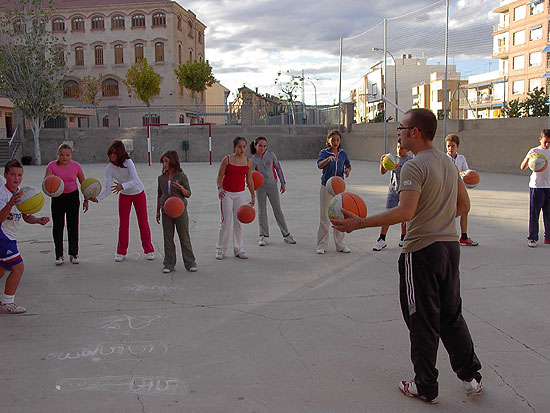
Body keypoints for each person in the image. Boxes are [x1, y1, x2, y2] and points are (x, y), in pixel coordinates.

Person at [332, 109, 482, 404]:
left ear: (415, 132)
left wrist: (359, 223)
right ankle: (471, 376)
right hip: (450, 249)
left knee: (421, 320)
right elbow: (464, 204)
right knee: (451, 316)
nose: (398, 132)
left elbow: (405, 212)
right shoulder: (447, 163)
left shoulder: (413, 167)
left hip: (422, 252)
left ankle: (425, 386)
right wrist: (438, 220)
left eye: (401, 128)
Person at [92, 140, 155, 262]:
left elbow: (136, 180)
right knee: (123, 224)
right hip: (124, 196)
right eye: (110, 153)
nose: (112, 156)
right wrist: (98, 198)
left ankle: (149, 250)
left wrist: (122, 186)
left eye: (114, 153)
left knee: (143, 222)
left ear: (120, 154)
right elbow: (109, 188)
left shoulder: (128, 162)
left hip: (138, 193)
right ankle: (121, 251)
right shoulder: (109, 169)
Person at [0, 160, 49, 314]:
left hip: (10, 236)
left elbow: (26, 216)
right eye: (13, 175)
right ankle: (7, 303)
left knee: (1, 270)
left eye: (19, 175)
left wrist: (38, 220)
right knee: (18, 268)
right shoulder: (2, 194)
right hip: (2, 236)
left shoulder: (22, 193)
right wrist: (9, 204)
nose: (16, 178)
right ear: (5, 175)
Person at [45, 143, 89, 265]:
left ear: (71, 155)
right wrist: (49, 186)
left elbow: (83, 183)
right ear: (58, 155)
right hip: (57, 197)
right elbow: (47, 181)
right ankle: (59, 255)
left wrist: (86, 200)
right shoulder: (51, 166)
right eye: (62, 155)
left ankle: (74, 254)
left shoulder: (76, 166)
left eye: (67, 155)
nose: (64, 158)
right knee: (58, 226)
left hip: (72, 197)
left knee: (73, 225)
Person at [156, 150, 197, 273]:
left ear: (173, 161)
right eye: (163, 161)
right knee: (168, 238)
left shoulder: (181, 176)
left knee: (184, 236)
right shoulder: (161, 178)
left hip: (180, 210)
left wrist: (182, 189)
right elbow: (159, 194)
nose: (164, 164)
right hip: (166, 210)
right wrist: (158, 211)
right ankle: (169, 263)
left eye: (166, 161)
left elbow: (188, 193)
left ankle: (190, 262)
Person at [250, 136, 296, 246]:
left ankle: (286, 235)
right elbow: (250, 177)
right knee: (262, 211)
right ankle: (263, 235)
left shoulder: (271, 155)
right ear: (255, 146)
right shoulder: (252, 160)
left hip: (272, 186)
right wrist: (252, 190)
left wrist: (283, 183)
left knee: (277, 210)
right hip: (260, 188)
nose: (262, 148)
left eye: (264, 146)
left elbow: (278, 168)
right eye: (260, 145)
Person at [215, 137, 255, 260]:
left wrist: (252, 195)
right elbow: (219, 176)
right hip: (227, 194)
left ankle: (239, 249)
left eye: (244, 147)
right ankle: (221, 249)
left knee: (239, 222)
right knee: (225, 222)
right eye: (239, 146)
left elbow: (249, 179)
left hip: (240, 194)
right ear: (234, 147)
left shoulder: (248, 161)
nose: (242, 149)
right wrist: (220, 188)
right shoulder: (226, 160)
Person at [373, 138, 413, 251]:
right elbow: (382, 172)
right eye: (398, 147)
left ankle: (403, 238)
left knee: (404, 216)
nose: (400, 150)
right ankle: (381, 239)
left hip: (405, 191)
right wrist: (382, 163)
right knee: (388, 215)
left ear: (408, 149)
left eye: (403, 148)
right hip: (393, 191)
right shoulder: (392, 159)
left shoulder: (410, 160)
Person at [316, 129, 351, 254]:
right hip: (326, 186)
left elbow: (348, 165)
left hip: (339, 188)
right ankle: (321, 245)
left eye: (337, 140)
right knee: (324, 217)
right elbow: (319, 165)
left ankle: (340, 245)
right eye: (333, 139)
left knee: (339, 216)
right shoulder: (324, 152)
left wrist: (347, 170)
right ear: (328, 140)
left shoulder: (342, 153)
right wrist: (327, 160)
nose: (335, 142)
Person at [446, 134, 478, 246]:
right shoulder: (444, 159)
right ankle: (444, 234)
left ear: (457, 147)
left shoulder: (461, 158)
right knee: (449, 212)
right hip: (447, 190)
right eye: (448, 146)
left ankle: (464, 237)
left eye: (453, 146)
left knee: (465, 210)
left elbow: (466, 171)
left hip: (459, 189)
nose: (450, 148)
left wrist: (470, 174)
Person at [520, 128, 550, 248]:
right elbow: (522, 167)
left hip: (549, 186)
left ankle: (548, 237)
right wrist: (529, 159)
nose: (547, 144)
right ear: (540, 139)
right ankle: (532, 238)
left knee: (548, 213)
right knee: (534, 214)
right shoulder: (534, 151)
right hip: (536, 187)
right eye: (545, 142)